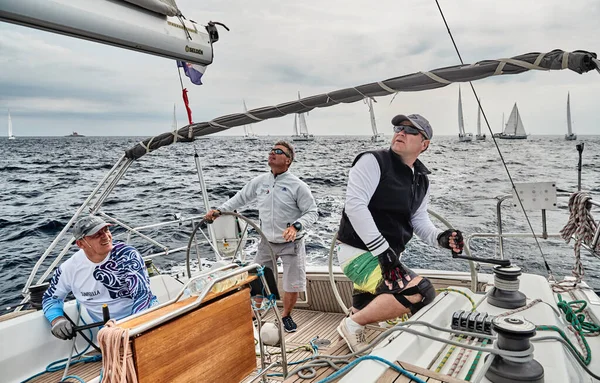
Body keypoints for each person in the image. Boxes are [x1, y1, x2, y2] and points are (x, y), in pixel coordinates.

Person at [336, 113, 464, 352]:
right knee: (420, 293)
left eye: (410, 130)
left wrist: (441, 238)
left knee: (367, 304)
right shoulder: (373, 161)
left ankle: (354, 321)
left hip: (388, 257)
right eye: (398, 127)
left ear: (424, 144)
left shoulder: (421, 180)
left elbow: (418, 219)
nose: (401, 132)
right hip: (358, 255)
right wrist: (384, 255)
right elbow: (355, 206)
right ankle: (352, 325)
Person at [205, 141, 318, 333]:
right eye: (271, 150)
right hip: (267, 242)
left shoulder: (298, 186)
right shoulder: (260, 182)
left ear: (288, 160)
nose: (271, 153)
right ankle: (255, 314)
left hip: (292, 243)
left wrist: (296, 227)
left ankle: (286, 316)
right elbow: (240, 198)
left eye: (278, 151)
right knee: (257, 278)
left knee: (292, 282)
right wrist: (219, 211)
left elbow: (312, 212)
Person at [42, 215, 158, 340]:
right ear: (81, 244)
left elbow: (142, 294)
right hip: (108, 331)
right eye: (96, 234)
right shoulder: (69, 269)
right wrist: (57, 320)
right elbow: (50, 298)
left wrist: (131, 329)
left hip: (145, 315)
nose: (105, 236)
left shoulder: (127, 255)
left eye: (106, 230)